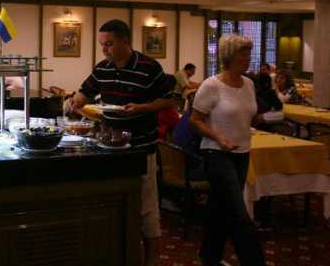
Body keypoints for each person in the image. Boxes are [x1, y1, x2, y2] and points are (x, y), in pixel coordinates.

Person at [63, 19, 173, 266]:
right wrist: (75, 101)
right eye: (102, 44)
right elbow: (86, 91)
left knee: (146, 208)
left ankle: (152, 260)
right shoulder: (103, 68)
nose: (104, 50)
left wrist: (142, 107)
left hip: (141, 148)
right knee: (115, 203)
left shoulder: (149, 66)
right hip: (110, 146)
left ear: (125, 40)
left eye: (109, 44)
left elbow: (168, 101)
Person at [189, 34, 265, 266]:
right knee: (239, 214)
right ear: (229, 56)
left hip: (242, 153)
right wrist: (218, 136)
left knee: (220, 207)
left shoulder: (249, 84)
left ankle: (209, 256)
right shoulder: (212, 85)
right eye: (243, 54)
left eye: (249, 53)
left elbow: (247, 115)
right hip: (216, 153)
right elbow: (195, 120)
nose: (248, 58)